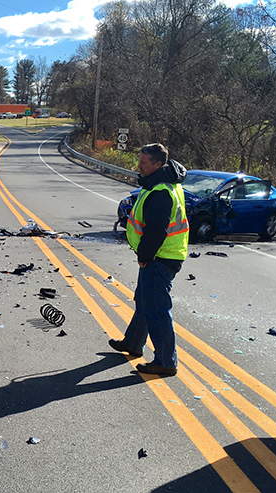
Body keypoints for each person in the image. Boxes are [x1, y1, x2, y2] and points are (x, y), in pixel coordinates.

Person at [108, 143, 188, 376]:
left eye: (143, 163)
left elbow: (157, 230)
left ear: (157, 164)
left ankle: (165, 360)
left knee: (157, 308)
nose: (139, 167)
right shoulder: (160, 183)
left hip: (161, 257)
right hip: (161, 255)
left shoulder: (162, 190)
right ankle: (133, 343)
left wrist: (145, 255)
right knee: (143, 300)